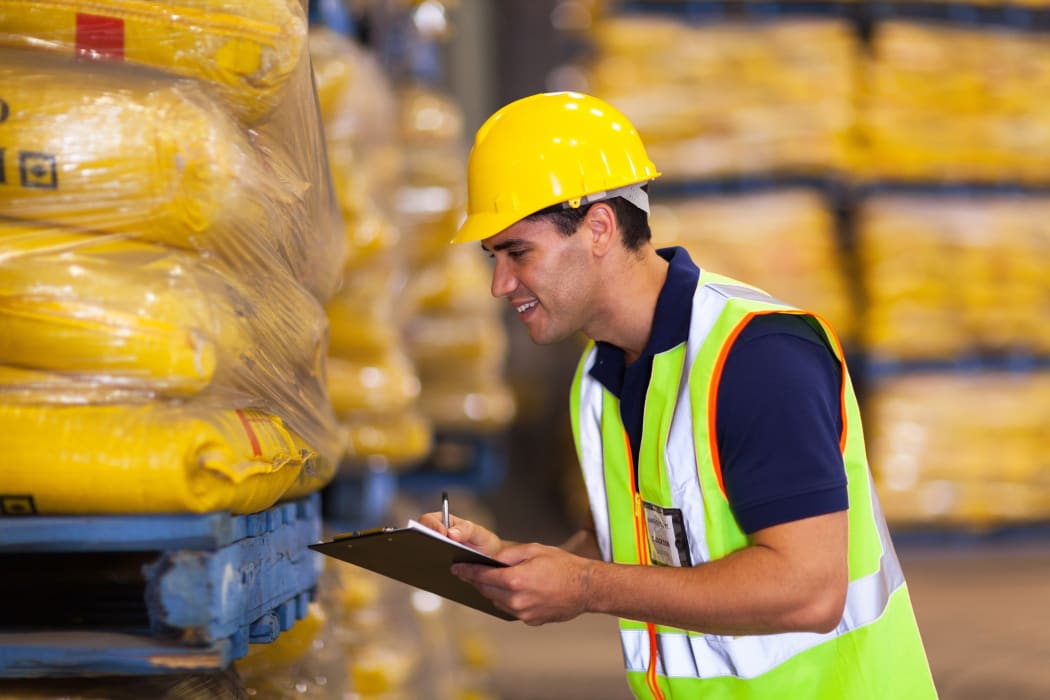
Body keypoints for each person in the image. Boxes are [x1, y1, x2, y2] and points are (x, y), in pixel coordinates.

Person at [419, 91, 937, 699]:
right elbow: (630, 540)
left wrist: (585, 586)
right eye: (493, 257)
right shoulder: (597, 378)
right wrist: (522, 565)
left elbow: (810, 591)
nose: (500, 284)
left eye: (517, 252)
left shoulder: (757, 355)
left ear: (599, 228)